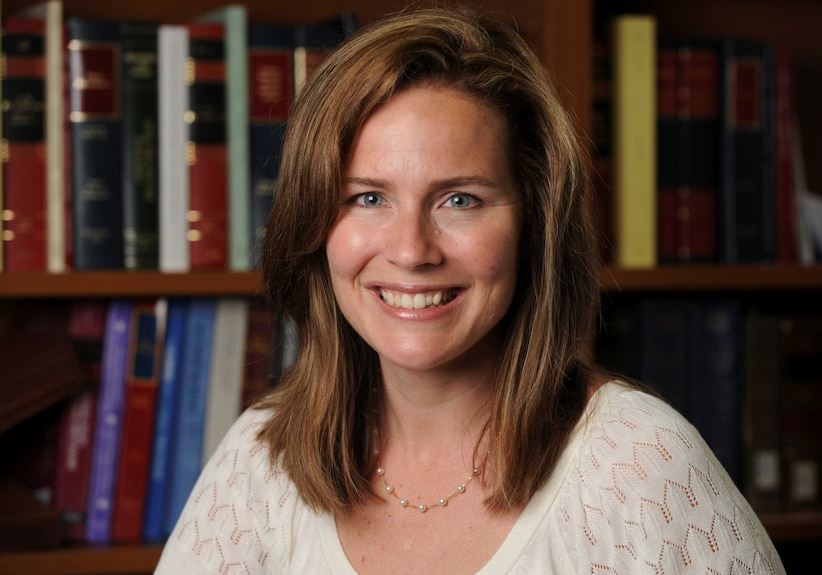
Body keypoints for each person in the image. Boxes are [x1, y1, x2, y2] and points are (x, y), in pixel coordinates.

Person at [155, 6, 786, 574]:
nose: (410, 250)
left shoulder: (641, 468)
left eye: (460, 199)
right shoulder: (260, 459)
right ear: (315, 223)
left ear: (532, 223)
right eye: (368, 198)